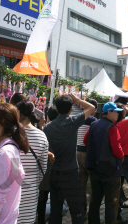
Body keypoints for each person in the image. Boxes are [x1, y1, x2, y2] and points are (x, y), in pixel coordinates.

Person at [43, 94, 95, 224]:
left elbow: (43, 147)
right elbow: (92, 107)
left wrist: (49, 153)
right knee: (76, 211)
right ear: (71, 108)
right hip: (71, 173)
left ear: (56, 109)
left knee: (55, 212)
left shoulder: (48, 128)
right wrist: (77, 99)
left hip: (55, 173)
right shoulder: (73, 122)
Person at [84, 102, 125, 224]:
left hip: (94, 167)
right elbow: (116, 148)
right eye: (116, 112)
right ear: (109, 112)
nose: (117, 114)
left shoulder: (93, 124)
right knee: (111, 201)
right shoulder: (112, 127)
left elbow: (86, 140)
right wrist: (122, 157)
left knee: (95, 200)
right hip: (110, 169)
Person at [16, 100, 48, 224]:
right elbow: (43, 167)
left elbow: (11, 164)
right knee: (27, 220)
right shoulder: (42, 136)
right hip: (32, 189)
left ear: (18, 113)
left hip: (12, 187)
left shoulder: (12, 134)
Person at [37, 107, 58, 224]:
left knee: (42, 199)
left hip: (45, 168)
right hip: (56, 168)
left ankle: (40, 220)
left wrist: (40, 126)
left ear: (48, 117)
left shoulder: (45, 130)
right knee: (55, 198)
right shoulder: (61, 129)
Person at [76, 99, 97, 216]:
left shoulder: (78, 119)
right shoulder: (93, 120)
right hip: (88, 154)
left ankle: (82, 211)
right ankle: (92, 213)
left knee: (82, 184)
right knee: (93, 184)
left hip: (78, 152)